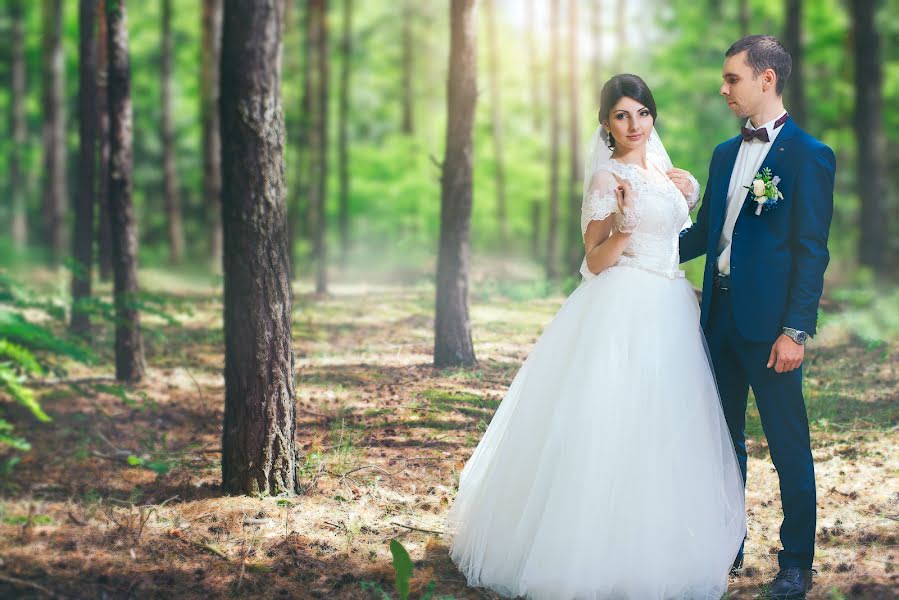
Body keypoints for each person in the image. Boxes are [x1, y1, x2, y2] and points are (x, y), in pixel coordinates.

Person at [444, 74, 746, 600]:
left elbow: (677, 238)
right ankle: (585, 553)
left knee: (663, 428)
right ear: (606, 124)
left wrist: (686, 195)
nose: (634, 125)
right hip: (622, 306)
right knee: (609, 425)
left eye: (643, 113)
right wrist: (625, 224)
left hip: (670, 306)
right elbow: (594, 260)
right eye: (622, 115)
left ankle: (658, 548)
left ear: (653, 116)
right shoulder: (606, 179)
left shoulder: (666, 171)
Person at [679, 35, 835, 600]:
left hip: (772, 332)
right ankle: (727, 545)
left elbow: (811, 251)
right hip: (716, 319)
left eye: (732, 79)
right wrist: (640, 249)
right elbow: (703, 235)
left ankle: (796, 563)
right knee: (723, 443)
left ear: (766, 79)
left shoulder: (810, 156)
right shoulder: (724, 154)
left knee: (788, 443)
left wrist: (795, 330)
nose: (723, 89)